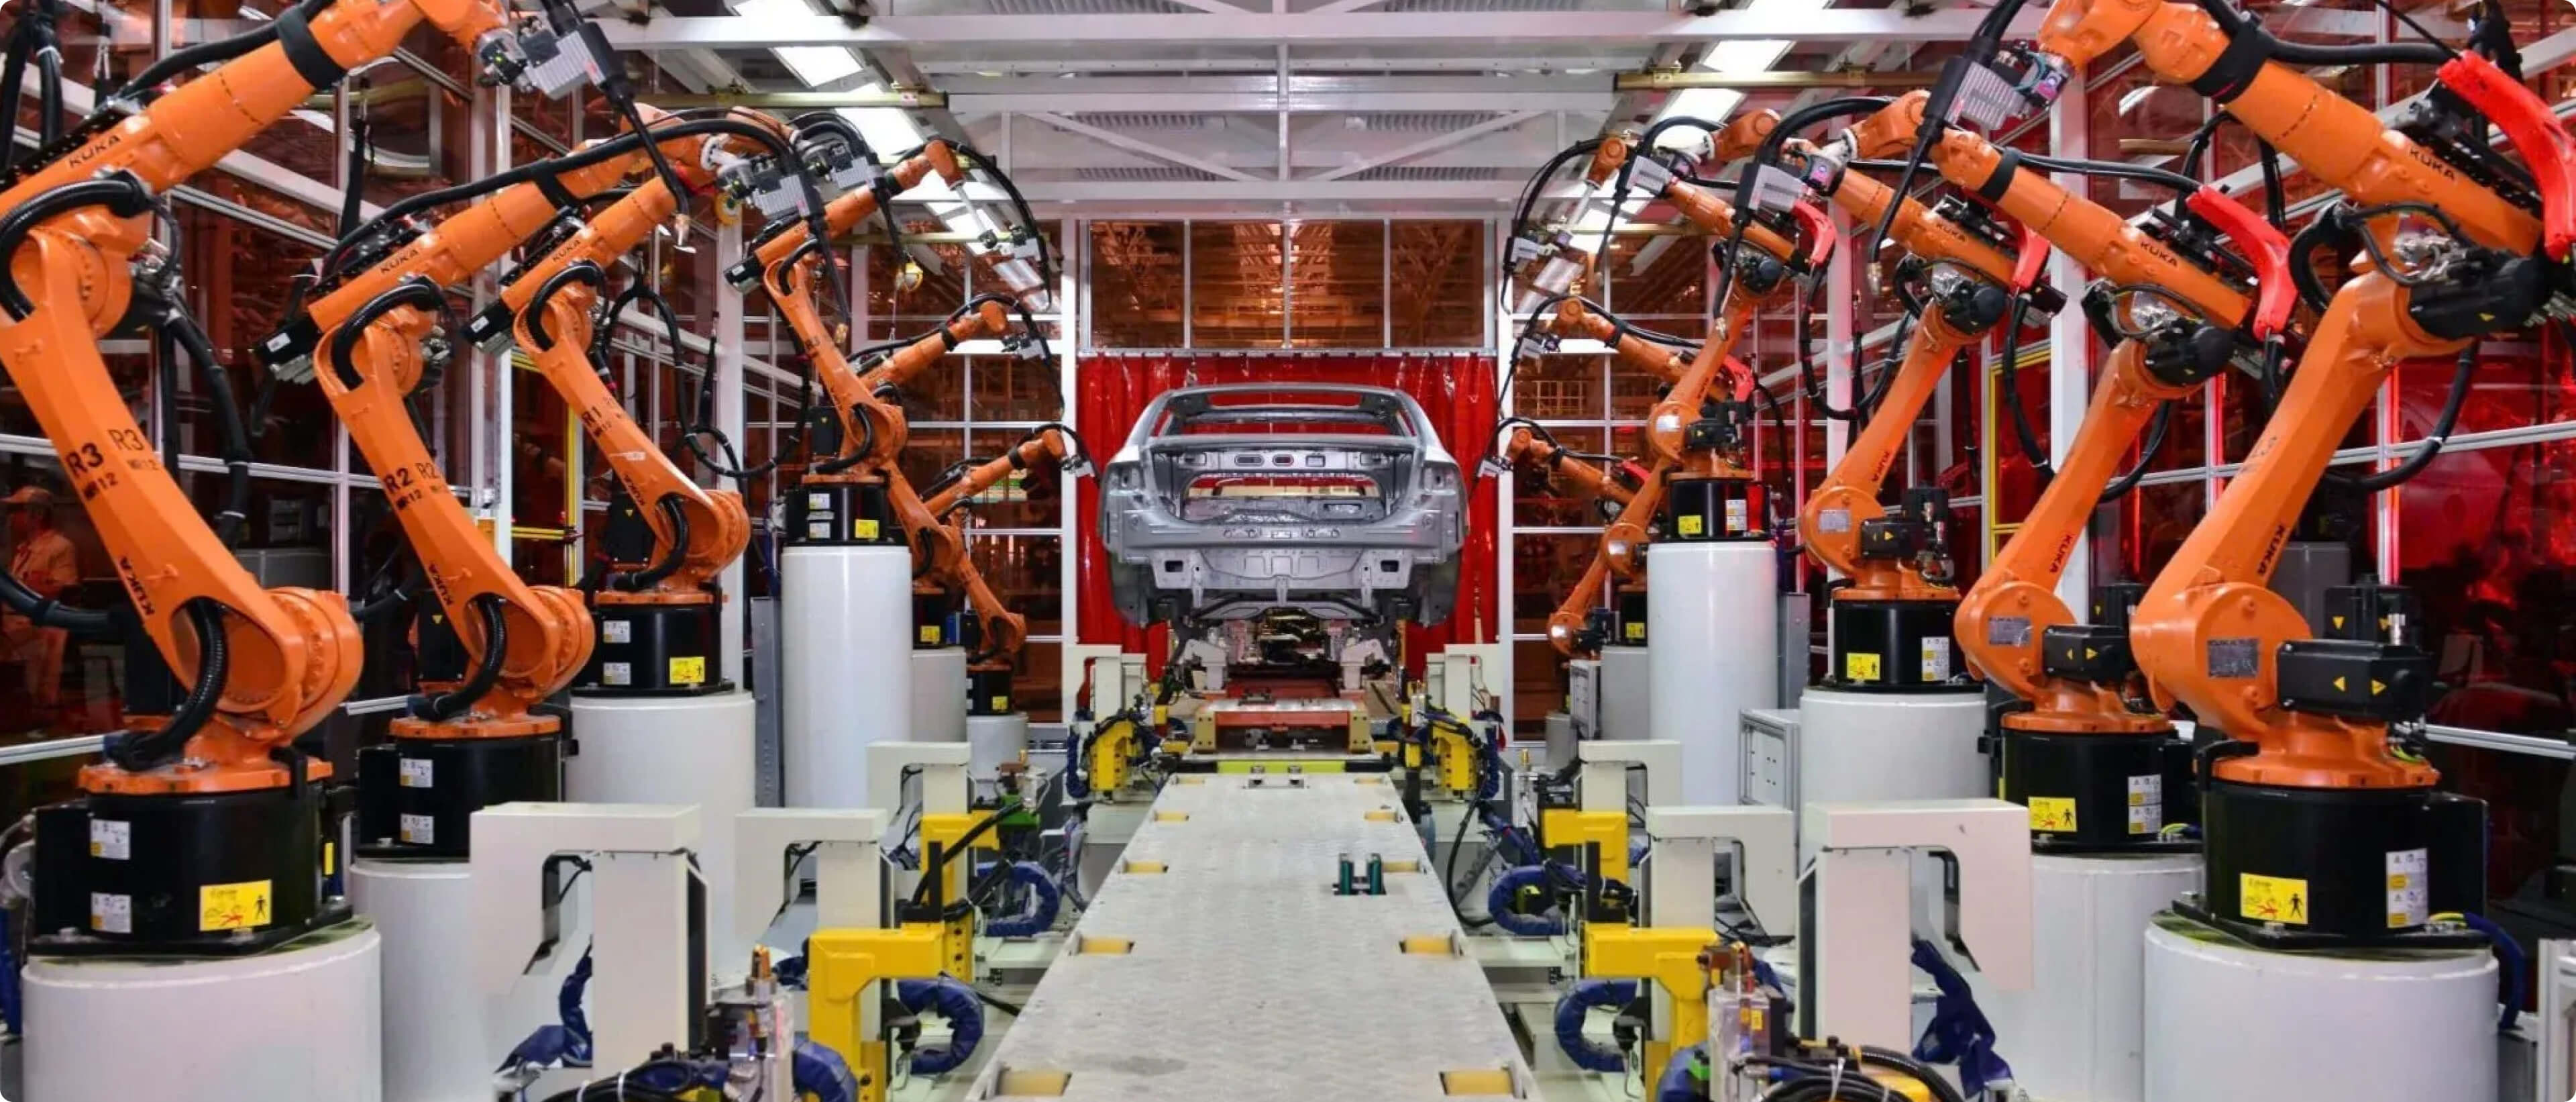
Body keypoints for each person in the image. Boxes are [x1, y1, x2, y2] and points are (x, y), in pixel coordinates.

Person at [3, 485, 76, 730]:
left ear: (37, 514)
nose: (11, 517)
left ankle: (35, 713)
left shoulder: (59, 547)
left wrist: (37, 587)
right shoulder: (22, 550)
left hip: (37, 626)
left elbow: (62, 591)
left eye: (17, 510)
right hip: (13, 623)